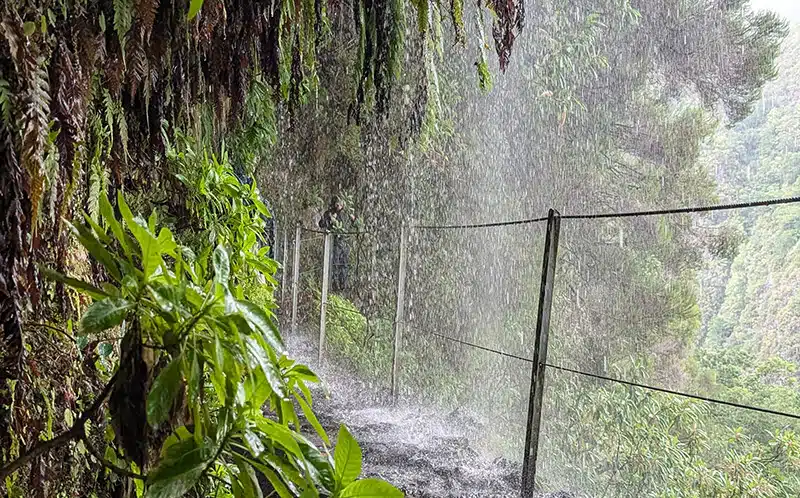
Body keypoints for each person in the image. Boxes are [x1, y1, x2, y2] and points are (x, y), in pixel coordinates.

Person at [319, 196, 355, 291]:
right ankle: (333, 285)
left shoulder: (346, 214)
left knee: (344, 264)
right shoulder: (329, 213)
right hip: (333, 243)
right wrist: (330, 220)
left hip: (344, 243)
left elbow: (353, 226)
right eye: (337, 203)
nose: (338, 205)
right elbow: (322, 224)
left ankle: (343, 285)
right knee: (334, 264)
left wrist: (354, 220)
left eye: (340, 203)